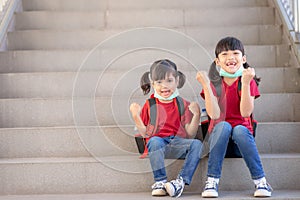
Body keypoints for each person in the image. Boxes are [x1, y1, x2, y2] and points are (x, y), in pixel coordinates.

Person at [196, 37, 272, 198]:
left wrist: (245, 83)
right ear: (217, 61)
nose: (231, 57)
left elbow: (245, 113)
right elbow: (214, 115)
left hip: (241, 142)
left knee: (238, 129)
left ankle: (261, 182)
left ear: (243, 59)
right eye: (224, 54)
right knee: (223, 126)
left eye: (235, 53)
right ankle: (212, 181)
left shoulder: (247, 81)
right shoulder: (215, 83)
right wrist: (206, 86)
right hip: (218, 139)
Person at [130, 59, 202, 197]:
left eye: (169, 81)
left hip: (178, 144)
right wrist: (136, 116)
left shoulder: (182, 104)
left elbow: (190, 133)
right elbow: (145, 134)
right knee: (154, 141)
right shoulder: (150, 105)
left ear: (177, 80)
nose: (164, 86)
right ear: (152, 84)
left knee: (197, 144)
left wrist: (197, 115)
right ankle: (160, 181)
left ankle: (180, 182)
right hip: (158, 145)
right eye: (159, 82)